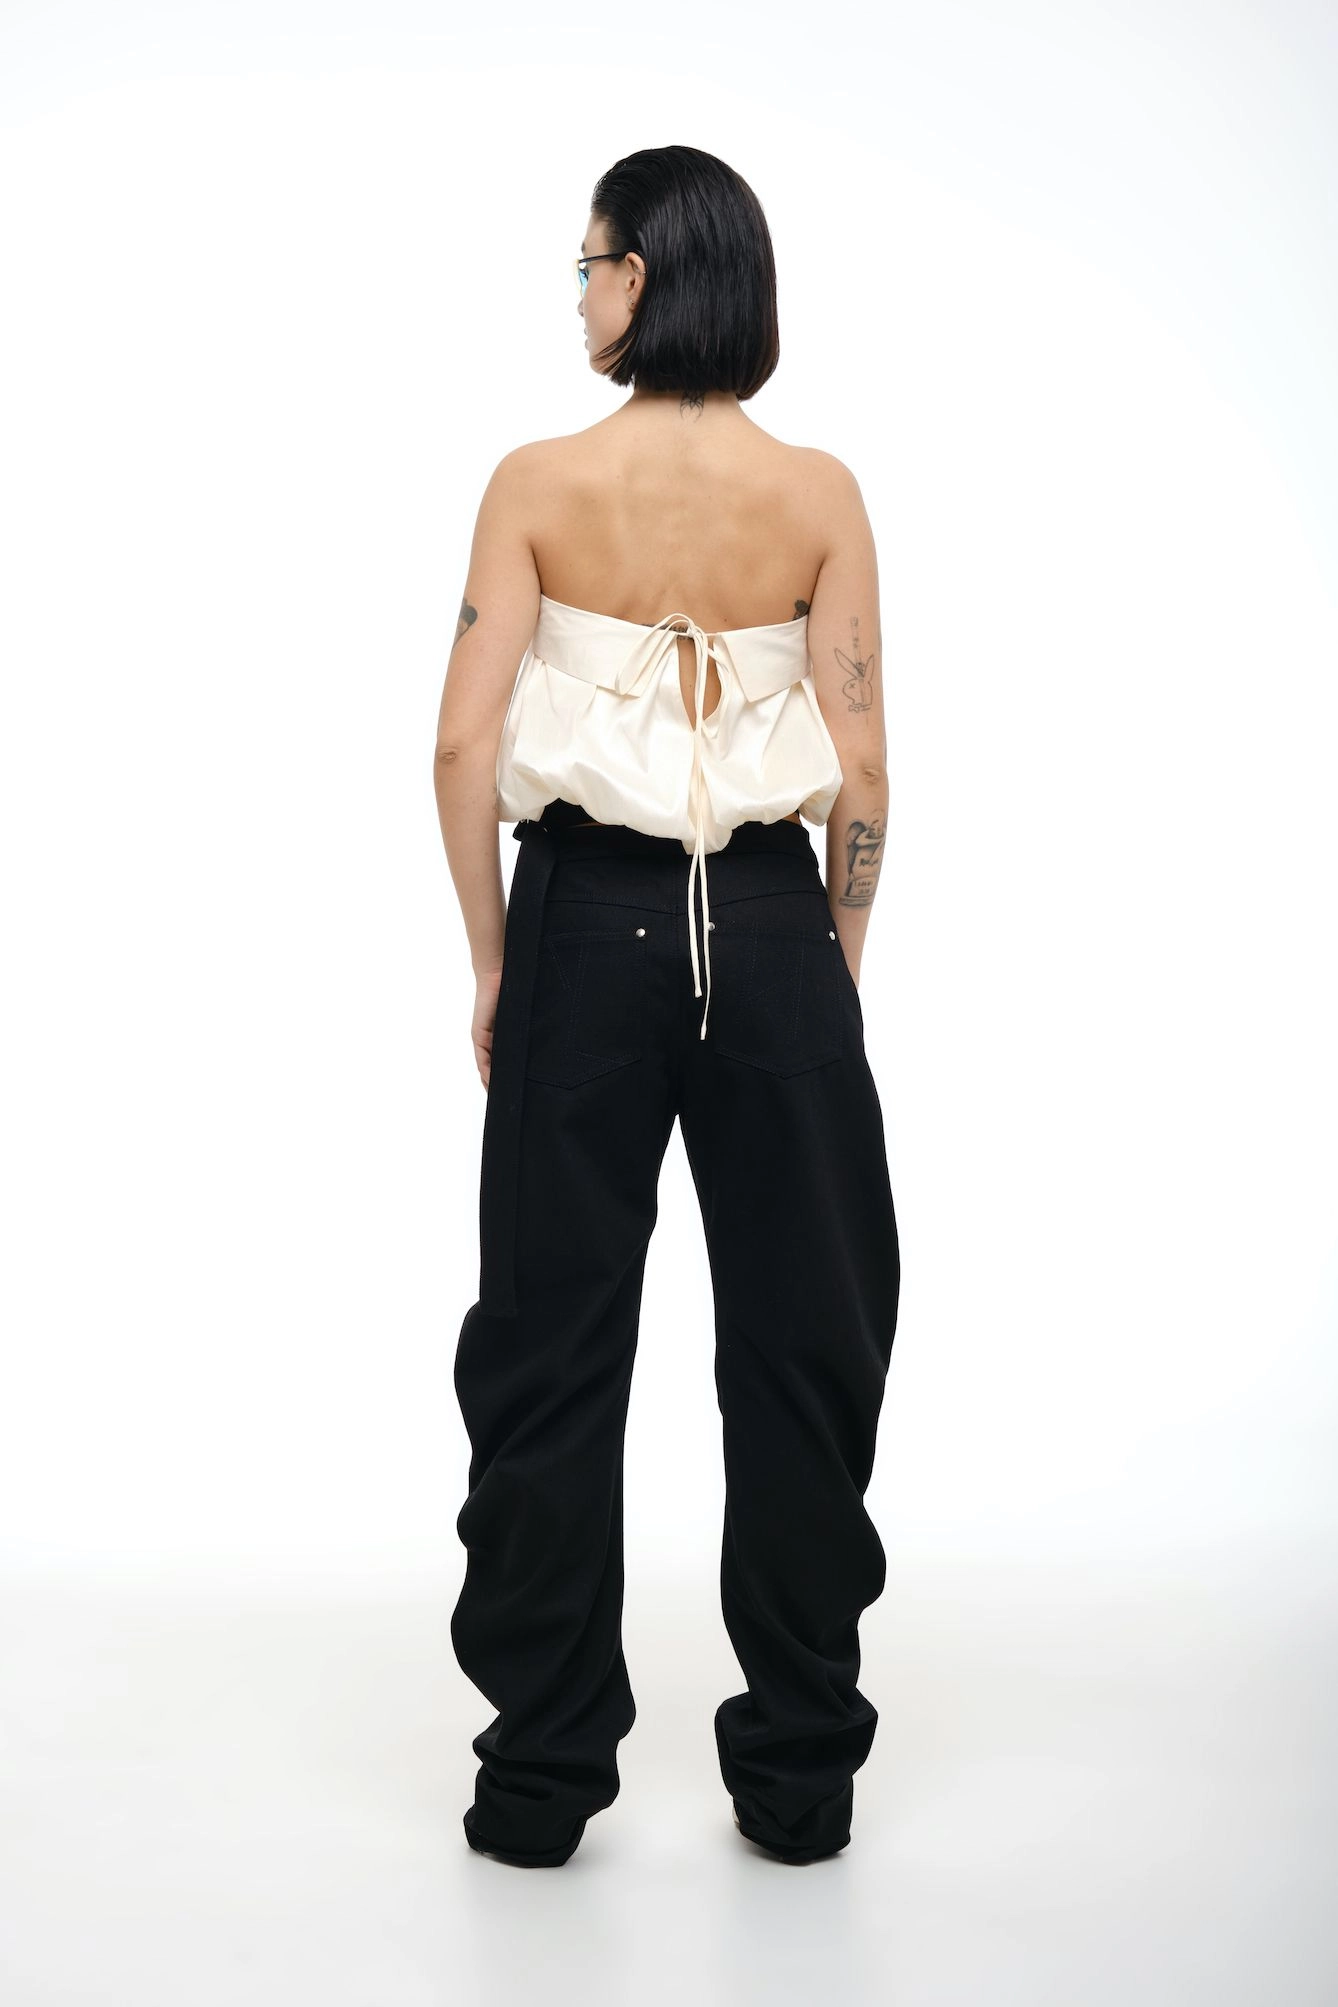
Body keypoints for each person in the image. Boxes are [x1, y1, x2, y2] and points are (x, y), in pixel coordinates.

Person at [432, 144, 900, 1870]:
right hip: (772, 928)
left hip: (585, 921)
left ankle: (539, 1779)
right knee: (803, 1346)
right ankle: (797, 1780)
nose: (576, 295)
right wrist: (825, 971)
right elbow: (863, 771)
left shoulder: (539, 481)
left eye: (587, 265)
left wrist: (496, 960)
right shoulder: (820, 493)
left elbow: (458, 747)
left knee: (548, 1352)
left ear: (643, 276)